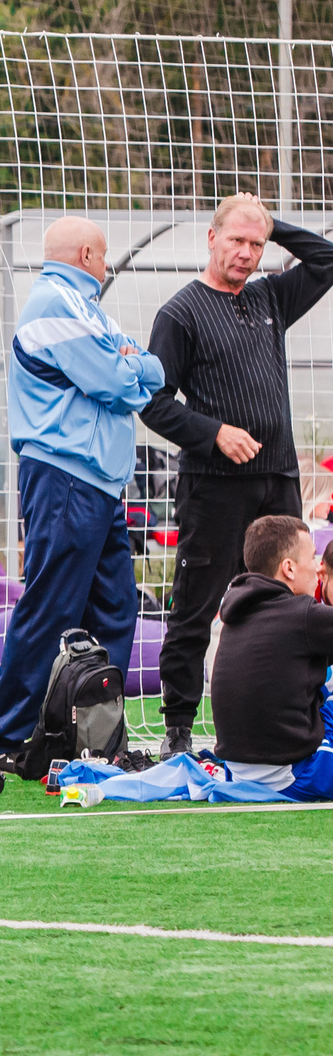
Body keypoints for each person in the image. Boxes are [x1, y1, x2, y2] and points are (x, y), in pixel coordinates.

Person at [137, 195, 333, 756]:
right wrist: (214, 432)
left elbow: (326, 261)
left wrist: (277, 227)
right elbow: (153, 403)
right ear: (211, 238)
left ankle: (303, 720)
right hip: (214, 484)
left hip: (279, 479)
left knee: (298, 599)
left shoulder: (270, 297)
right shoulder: (181, 312)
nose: (246, 254)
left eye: (256, 244)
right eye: (237, 241)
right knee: (197, 604)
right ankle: (177, 730)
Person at [0, 215, 166, 776]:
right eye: (104, 255)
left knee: (116, 608)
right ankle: (2, 739)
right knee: (52, 605)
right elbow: (120, 382)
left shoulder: (88, 310)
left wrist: (131, 363)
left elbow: (139, 370)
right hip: (64, 476)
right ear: (86, 253)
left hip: (101, 482)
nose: (107, 265)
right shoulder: (54, 304)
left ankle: (96, 738)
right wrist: (131, 363)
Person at [206, 515, 333, 799]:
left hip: (237, 771)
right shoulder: (303, 615)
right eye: (312, 556)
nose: (318, 566)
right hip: (295, 773)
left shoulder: (235, 611)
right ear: (288, 568)